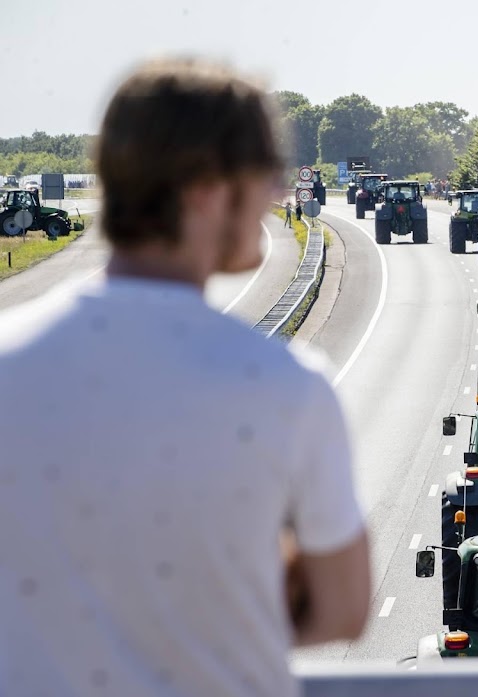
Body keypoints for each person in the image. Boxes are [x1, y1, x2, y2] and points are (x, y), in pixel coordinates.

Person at [0, 59, 371, 697]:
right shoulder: (288, 387)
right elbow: (343, 608)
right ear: (206, 187)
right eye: (265, 173)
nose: (279, 193)